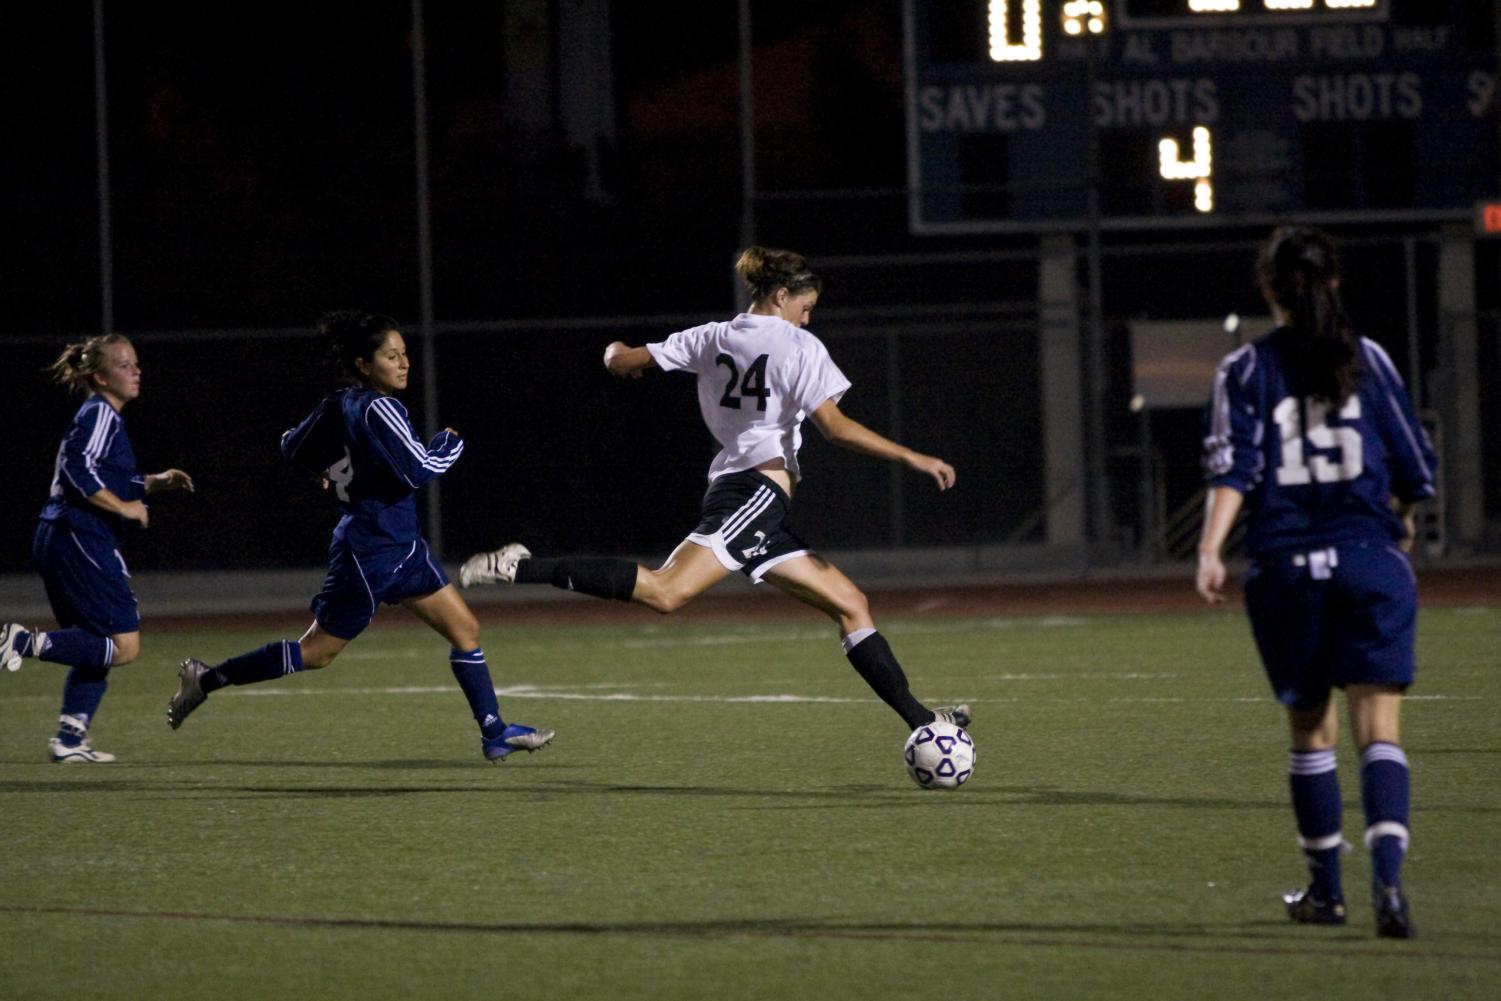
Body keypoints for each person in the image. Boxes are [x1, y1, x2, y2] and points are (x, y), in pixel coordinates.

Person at [459, 246, 969, 736]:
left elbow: (622, 362)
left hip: (743, 494)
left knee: (850, 604)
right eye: (805, 307)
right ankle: (520, 566)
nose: (808, 320)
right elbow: (834, 428)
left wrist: (613, 351)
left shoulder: (711, 336)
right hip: (756, 494)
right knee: (666, 591)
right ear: (780, 295)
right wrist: (913, 456)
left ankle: (924, 720)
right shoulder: (799, 346)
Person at [164, 310, 553, 763]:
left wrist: (319, 473)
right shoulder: (379, 407)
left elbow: (291, 444)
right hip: (368, 551)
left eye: (405, 354)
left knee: (465, 629)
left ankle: (495, 732)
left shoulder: (340, 403)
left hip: (401, 545)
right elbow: (419, 469)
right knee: (316, 653)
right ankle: (205, 679)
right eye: (391, 356)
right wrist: (449, 443)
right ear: (365, 365)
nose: (404, 363)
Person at [1196, 226, 1437, 939]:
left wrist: (1210, 548)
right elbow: (1413, 467)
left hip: (1287, 569)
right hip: (1368, 561)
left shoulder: (1243, 370)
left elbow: (1232, 469)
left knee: (1309, 731)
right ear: (1331, 281)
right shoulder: (1365, 358)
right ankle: (1387, 879)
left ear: (1268, 288)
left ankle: (1325, 892)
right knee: (1378, 730)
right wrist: (1399, 520)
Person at [0, 334, 195, 762]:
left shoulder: (104, 417)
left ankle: (69, 740)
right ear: (99, 376)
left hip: (64, 536)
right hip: (79, 535)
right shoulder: (100, 414)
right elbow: (77, 469)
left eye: (136, 363)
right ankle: (21, 643)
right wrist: (125, 506)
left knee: (94, 644)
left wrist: (151, 483)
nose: (136, 370)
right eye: (125, 365)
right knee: (124, 646)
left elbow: (102, 475)